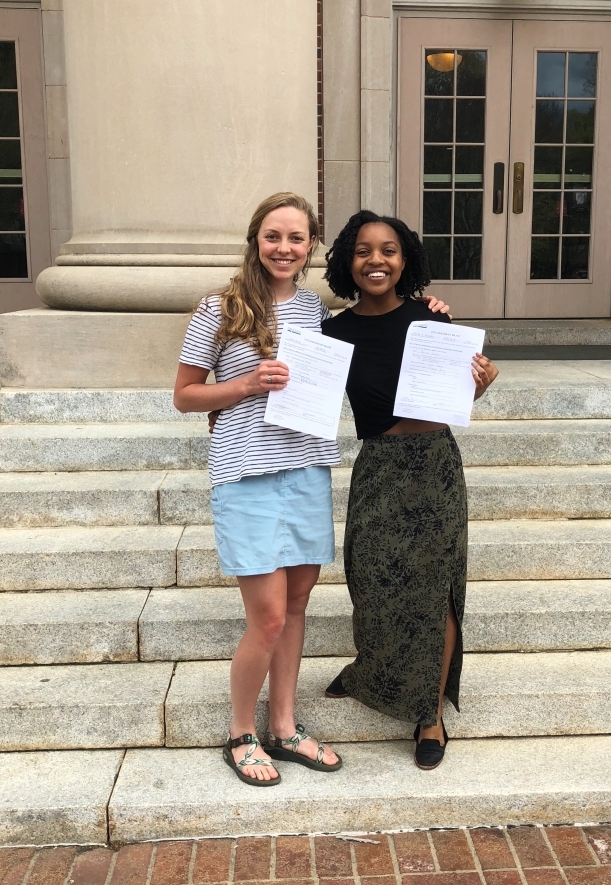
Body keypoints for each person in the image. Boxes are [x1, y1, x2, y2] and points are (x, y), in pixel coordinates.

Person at [174, 193, 450, 786]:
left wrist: (428, 312)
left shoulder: (316, 313)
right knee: (268, 617)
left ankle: (285, 725)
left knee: (296, 608)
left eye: (297, 239)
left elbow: (382, 342)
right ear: (256, 240)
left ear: (310, 249)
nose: (284, 248)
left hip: (306, 468)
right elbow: (186, 395)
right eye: (274, 236)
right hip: (246, 474)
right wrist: (246, 383)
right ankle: (241, 733)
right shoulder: (219, 307)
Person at [321, 210, 499, 770]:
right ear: (348, 262)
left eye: (389, 250)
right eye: (364, 251)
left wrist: (480, 388)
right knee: (371, 580)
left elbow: (451, 404)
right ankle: (374, 672)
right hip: (379, 466)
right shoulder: (333, 332)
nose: (377, 260)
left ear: (405, 261)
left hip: (434, 467)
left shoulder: (432, 320)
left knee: (435, 588)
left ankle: (430, 717)